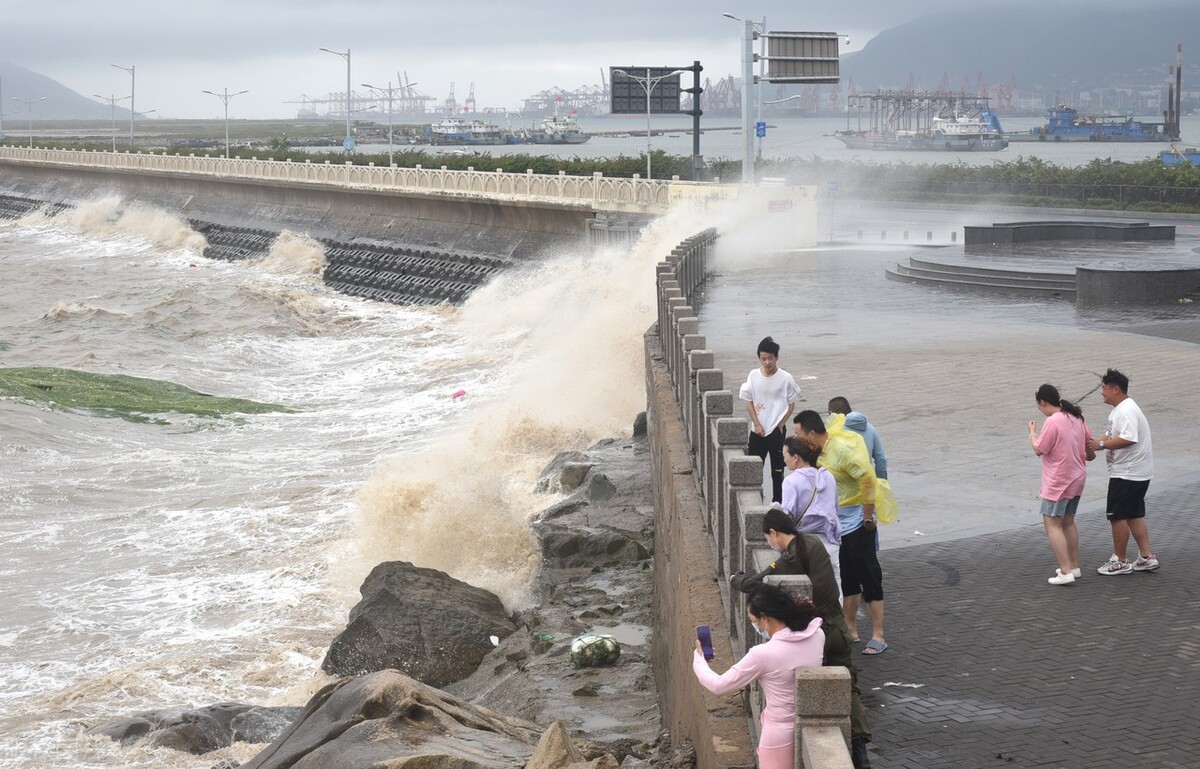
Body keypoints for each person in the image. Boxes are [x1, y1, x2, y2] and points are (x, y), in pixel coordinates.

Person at [730, 509, 874, 769]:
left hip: (818, 633)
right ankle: (861, 752)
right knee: (849, 688)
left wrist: (735, 579)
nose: (770, 545)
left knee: (804, 685)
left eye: (768, 539)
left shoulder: (792, 557)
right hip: (839, 627)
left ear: (774, 533)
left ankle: (824, 748)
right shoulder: (812, 542)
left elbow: (757, 582)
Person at [692, 584, 824, 769]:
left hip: (778, 735)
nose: (754, 626)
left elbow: (718, 685)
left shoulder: (763, 654)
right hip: (813, 727)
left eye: (753, 620)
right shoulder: (817, 634)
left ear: (765, 618)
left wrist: (699, 661)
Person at [794, 410, 887, 655]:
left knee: (869, 576)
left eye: (799, 434)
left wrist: (868, 517)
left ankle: (878, 634)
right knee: (847, 578)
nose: (798, 439)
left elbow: (868, 480)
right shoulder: (818, 453)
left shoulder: (842, 451)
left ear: (811, 434)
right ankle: (851, 629)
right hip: (836, 524)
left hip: (857, 521)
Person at [1085, 369, 1159, 575]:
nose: (1101, 391)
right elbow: (1110, 435)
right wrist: (1090, 442)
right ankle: (1146, 557)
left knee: (1117, 516)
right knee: (1133, 514)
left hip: (1127, 473)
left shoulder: (1126, 410)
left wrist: (1100, 445)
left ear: (1116, 389)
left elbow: (1129, 438)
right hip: (1136, 472)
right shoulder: (1119, 409)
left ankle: (1120, 560)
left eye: (1104, 387)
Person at [1028, 384, 1096, 585]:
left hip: (1059, 480)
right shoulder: (1075, 417)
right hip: (1077, 478)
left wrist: (1032, 432)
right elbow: (1089, 447)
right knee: (1068, 522)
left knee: (1052, 524)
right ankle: (1073, 566)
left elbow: (1040, 449)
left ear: (1042, 402)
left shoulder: (1053, 421)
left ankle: (1065, 571)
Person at [739, 336, 802, 503]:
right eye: (763, 358)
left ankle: (778, 503)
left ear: (776, 358)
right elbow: (749, 402)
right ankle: (753, 501)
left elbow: (791, 404)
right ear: (759, 358)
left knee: (777, 471)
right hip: (757, 431)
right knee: (754, 468)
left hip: (776, 431)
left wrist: (780, 424)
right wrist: (757, 424)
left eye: (770, 358)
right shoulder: (753, 376)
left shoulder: (785, 378)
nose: (767, 362)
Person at [780, 436, 842, 597]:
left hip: (806, 544)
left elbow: (787, 517)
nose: (784, 460)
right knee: (834, 587)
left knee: (809, 592)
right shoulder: (827, 476)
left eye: (785, 455)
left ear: (795, 457)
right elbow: (835, 508)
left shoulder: (791, 482)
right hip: (830, 542)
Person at [828, 397, 888, 480]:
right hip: (867, 484)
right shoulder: (870, 428)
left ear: (831, 414)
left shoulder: (834, 432)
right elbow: (881, 459)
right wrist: (881, 483)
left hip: (844, 487)